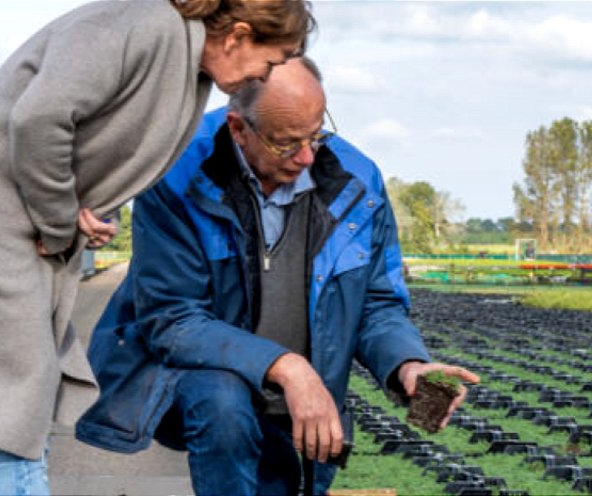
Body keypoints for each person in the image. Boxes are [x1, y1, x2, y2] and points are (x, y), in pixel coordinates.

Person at [0, 1, 315, 494]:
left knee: (16, 412)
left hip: (7, 217)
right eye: (268, 62)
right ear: (237, 35)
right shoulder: (145, 26)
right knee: (22, 411)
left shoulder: (184, 61)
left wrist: (86, 205)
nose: (260, 78)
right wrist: (57, 219)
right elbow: (40, 117)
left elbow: (99, 142)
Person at [75, 57, 480, 495]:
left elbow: (376, 302)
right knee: (223, 402)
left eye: (316, 134)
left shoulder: (357, 182)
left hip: (303, 401)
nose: (306, 157)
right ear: (238, 128)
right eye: (286, 144)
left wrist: (408, 363)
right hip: (207, 388)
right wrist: (287, 367)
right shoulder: (175, 175)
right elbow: (172, 318)